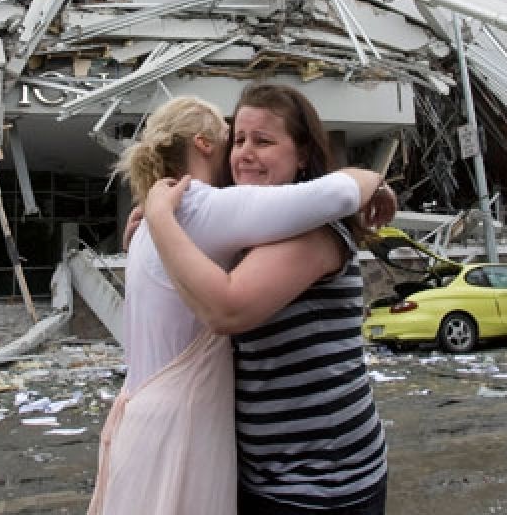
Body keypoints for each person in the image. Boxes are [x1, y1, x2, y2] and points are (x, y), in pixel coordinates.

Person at [87, 95, 393, 515]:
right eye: (239, 140)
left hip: (320, 480)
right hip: (259, 473)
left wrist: (161, 220)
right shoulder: (241, 227)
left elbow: (227, 309)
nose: (245, 153)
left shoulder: (312, 233)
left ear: (302, 153)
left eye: (263, 141)